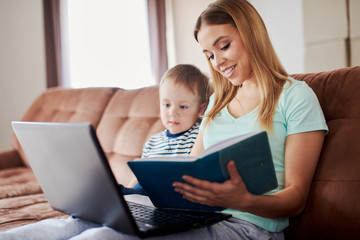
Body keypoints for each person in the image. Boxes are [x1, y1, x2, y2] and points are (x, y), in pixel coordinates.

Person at [0, 1, 328, 239]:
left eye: (223, 46)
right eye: (209, 55)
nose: (218, 62)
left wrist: (242, 200)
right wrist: (128, 195)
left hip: (246, 227)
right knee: (57, 229)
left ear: (252, 34)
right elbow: (191, 167)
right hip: (196, 216)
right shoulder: (216, 102)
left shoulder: (295, 97)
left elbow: (296, 198)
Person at [121, 64, 210, 195]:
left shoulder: (199, 136)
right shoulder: (152, 142)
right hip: (148, 199)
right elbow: (138, 176)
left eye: (183, 106)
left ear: (200, 109)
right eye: (167, 104)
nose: (172, 112)